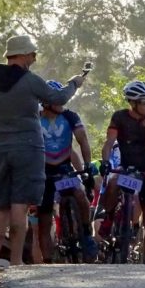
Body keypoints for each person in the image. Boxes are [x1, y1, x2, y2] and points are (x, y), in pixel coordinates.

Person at [0, 35, 86, 267]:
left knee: (0, 206)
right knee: (19, 205)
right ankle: (16, 260)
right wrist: (74, 83)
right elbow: (58, 97)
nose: (34, 58)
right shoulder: (29, 80)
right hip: (27, 148)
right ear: (21, 55)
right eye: (31, 54)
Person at [99, 80, 145, 263]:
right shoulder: (119, 117)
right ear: (133, 103)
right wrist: (105, 161)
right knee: (113, 182)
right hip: (126, 168)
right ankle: (108, 216)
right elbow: (109, 143)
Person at [38, 80, 98, 262]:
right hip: (43, 170)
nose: (62, 104)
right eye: (58, 101)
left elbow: (83, 140)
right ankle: (47, 261)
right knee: (44, 220)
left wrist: (87, 166)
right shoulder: (35, 119)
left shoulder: (70, 116)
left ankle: (86, 232)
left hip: (64, 168)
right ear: (47, 102)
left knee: (80, 195)